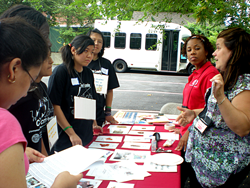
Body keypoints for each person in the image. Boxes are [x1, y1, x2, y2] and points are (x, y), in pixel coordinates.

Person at [0, 17, 82, 188]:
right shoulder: (5, 124)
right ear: (14, 69)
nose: (26, 93)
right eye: (31, 80)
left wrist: (20, 153)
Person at [177, 27, 250, 187]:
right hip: (202, 166)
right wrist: (194, 113)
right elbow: (214, 112)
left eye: (218, 48)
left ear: (234, 51)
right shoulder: (226, 77)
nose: (215, 54)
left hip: (221, 172)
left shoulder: (244, 83)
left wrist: (221, 97)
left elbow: (242, 127)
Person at [1, 4, 54, 159]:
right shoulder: (6, 112)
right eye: (43, 37)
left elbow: (39, 131)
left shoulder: (37, 87)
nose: (49, 44)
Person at [48, 35, 102, 152]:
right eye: (85, 51)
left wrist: (94, 123)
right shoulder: (61, 72)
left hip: (86, 135)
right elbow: (54, 105)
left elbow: (89, 100)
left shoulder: (88, 72)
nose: (89, 56)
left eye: (92, 52)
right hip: (66, 137)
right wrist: (71, 133)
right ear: (73, 50)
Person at [174, 34, 219, 152]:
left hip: (197, 136)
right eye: (189, 50)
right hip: (187, 130)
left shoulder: (210, 74)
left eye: (197, 48)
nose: (192, 52)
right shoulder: (196, 73)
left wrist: (189, 133)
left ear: (206, 51)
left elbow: (211, 111)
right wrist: (182, 128)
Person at [87, 28, 120, 127]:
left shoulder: (106, 64)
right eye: (93, 40)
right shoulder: (81, 63)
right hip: (82, 112)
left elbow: (110, 90)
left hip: (99, 112)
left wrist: (108, 112)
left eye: (100, 41)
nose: (96, 43)